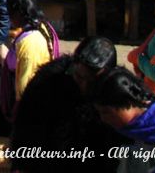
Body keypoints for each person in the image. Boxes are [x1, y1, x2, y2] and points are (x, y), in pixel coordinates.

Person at [11, 37, 122, 173]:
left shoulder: (116, 90)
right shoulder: (49, 82)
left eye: (92, 81)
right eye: (80, 77)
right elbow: (25, 128)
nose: (85, 86)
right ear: (73, 67)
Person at [1, 0, 60, 122]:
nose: (10, 21)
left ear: (18, 13)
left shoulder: (29, 43)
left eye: (10, 15)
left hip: (31, 105)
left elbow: (24, 85)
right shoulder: (45, 28)